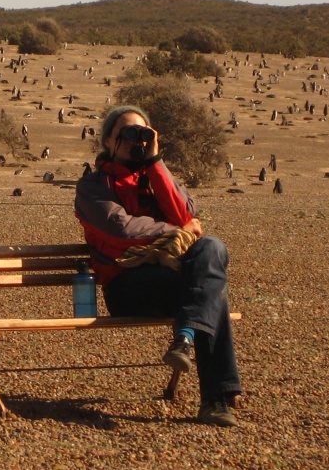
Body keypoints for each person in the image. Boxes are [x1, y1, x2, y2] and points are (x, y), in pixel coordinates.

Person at [74, 105, 242, 427]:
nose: (134, 141)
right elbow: (121, 228)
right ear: (108, 140)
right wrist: (175, 231)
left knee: (212, 249)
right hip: (126, 287)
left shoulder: (154, 177)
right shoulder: (92, 188)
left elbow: (183, 212)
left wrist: (154, 162)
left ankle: (184, 340)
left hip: (170, 279)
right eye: (126, 134)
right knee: (209, 289)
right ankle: (217, 399)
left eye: (143, 133)